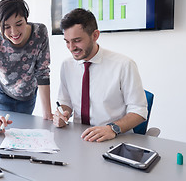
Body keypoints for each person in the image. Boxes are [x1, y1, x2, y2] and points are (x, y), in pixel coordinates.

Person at [53, 8, 148, 142]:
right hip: (80, 138)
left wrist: (112, 129)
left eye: (77, 40)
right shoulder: (67, 65)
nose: (71, 47)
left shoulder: (124, 64)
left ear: (95, 35)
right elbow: (65, 102)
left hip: (115, 139)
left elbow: (139, 111)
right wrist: (63, 114)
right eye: (67, 41)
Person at [0, 0, 52, 134]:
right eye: (6, 27)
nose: (14, 32)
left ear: (26, 19)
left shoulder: (40, 32)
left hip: (28, 95)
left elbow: (42, 72)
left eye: (19, 24)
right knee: (0, 133)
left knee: (21, 135)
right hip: (2, 94)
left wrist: (47, 115)